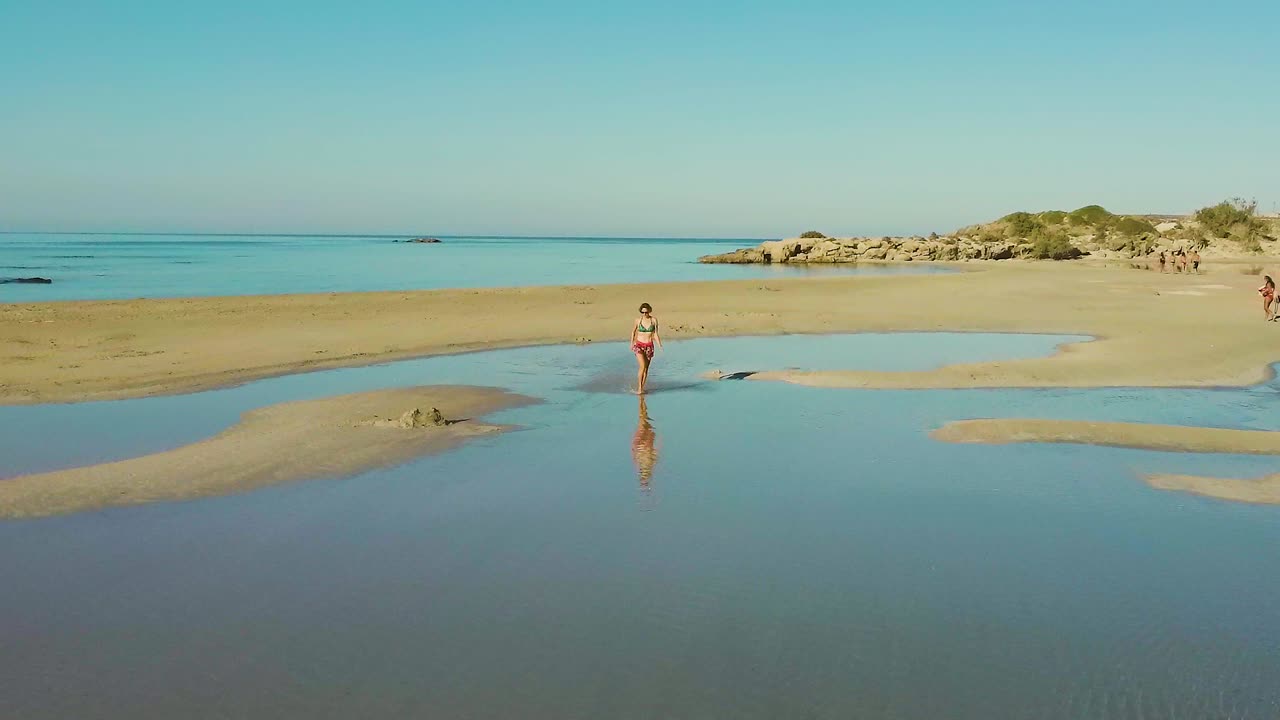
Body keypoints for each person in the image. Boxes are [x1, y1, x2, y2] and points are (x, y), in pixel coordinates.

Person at [630, 302, 662, 394]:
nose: (645, 314)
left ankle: (642, 387)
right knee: (642, 366)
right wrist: (632, 343)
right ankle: (639, 388)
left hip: (649, 345)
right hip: (639, 345)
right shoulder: (638, 320)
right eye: (643, 312)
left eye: (646, 312)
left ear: (649, 311)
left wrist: (659, 344)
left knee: (646, 368)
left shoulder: (654, 320)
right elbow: (633, 331)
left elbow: (655, 333)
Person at [631, 396, 659, 495]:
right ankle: (642, 401)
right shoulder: (649, 464)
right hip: (645, 442)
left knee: (643, 421)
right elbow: (655, 452)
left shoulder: (642, 464)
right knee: (643, 421)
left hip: (643, 442)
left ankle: (642, 401)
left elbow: (634, 452)